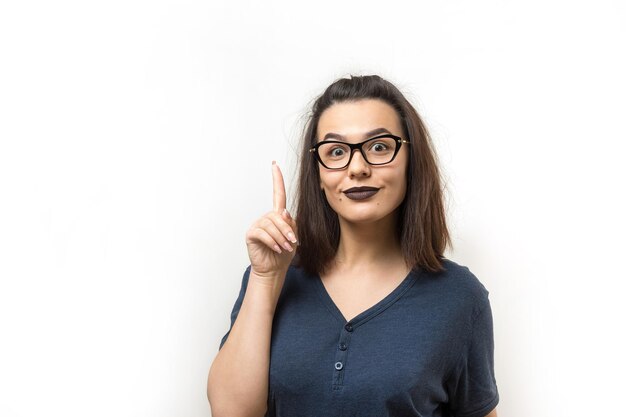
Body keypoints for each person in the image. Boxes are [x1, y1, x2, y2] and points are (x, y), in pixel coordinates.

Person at [207, 75, 499, 417]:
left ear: (410, 160)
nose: (357, 168)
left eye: (379, 147)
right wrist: (265, 277)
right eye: (336, 152)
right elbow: (230, 413)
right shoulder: (271, 277)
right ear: (318, 173)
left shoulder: (459, 298)